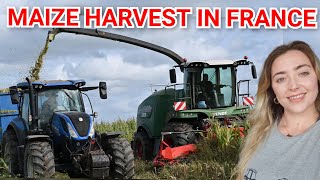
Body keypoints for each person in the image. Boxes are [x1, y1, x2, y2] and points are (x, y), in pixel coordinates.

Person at [236, 41, 320, 179]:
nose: (293, 86)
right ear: (272, 90)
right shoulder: (260, 132)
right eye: (281, 79)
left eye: (303, 73)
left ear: (317, 77)